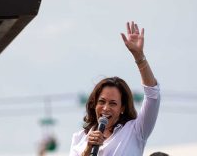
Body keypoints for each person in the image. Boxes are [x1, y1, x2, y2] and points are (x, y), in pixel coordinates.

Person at [69, 21, 160, 156]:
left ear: (122, 108)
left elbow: (153, 96)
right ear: (94, 104)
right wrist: (88, 148)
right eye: (102, 102)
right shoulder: (80, 138)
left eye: (113, 103)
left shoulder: (135, 131)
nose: (106, 108)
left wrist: (139, 57)